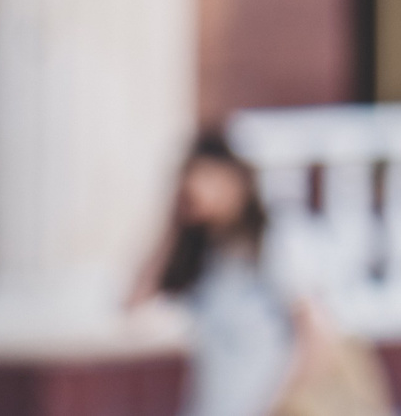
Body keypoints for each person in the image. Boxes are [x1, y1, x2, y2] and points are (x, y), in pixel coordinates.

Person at [135, 129, 388, 416]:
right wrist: (175, 221)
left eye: (210, 179)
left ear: (237, 181)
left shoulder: (275, 241)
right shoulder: (204, 259)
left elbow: (317, 335)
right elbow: (134, 301)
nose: (201, 191)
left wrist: (278, 405)